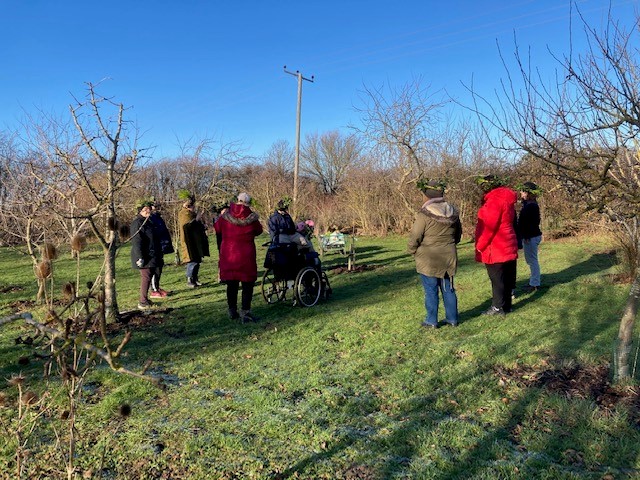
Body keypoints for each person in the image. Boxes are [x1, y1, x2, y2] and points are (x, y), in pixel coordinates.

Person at [408, 180, 462, 329]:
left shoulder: (424, 214)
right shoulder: (453, 211)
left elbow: (415, 236)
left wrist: (412, 250)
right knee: (448, 289)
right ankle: (452, 319)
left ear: (427, 196)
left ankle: (431, 321)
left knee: (431, 290)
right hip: (448, 256)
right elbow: (458, 235)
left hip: (428, 258)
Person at [214, 192, 263, 323]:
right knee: (247, 284)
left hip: (229, 254)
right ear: (248, 202)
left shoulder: (226, 216)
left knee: (232, 283)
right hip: (246, 255)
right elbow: (259, 231)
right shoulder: (251, 217)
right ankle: (245, 312)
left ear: (238, 200)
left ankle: (232, 310)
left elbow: (217, 228)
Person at [475, 175, 519, 316]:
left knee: (497, 278)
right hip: (508, 241)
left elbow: (489, 227)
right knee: (506, 277)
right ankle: (506, 306)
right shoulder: (507, 199)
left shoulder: (494, 201)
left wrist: (480, 245)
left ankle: (497, 307)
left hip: (497, 245)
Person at [130, 200, 163, 310]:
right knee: (146, 277)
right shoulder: (137, 223)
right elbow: (137, 241)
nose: (148, 211)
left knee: (149, 277)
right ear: (140, 211)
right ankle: (143, 301)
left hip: (152, 254)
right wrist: (140, 257)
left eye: (149, 209)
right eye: (145, 210)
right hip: (144, 256)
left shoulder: (149, 221)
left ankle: (146, 299)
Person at [178, 191, 210, 288]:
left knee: (197, 260)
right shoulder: (184, 214)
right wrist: (197, 219)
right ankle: (190, 279)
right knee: (192, 261)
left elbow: (196, 226)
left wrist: (202, 225)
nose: (194, 208)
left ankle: (195, 279)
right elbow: (187, 226)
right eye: (192, 206)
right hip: (189, 242)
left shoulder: (191, 214)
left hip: (196, 241)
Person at [517, 181, 542, 292]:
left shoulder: (531, 206)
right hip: (530, 236)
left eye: (523, 191)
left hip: (531, 236)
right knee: (531, 260)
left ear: (528, 192)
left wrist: (526, 236)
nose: (521, 193)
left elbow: (532, 222)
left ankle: (535, 283)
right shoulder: (529, 204)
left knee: (532, 260)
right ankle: (534, 281)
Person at [149, 200, 174, 298]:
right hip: (155, 246)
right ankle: (154, 290)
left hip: (161, 246)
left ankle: (157, 287)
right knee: (154, 269)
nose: (157, 208)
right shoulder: (151, 218)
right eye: (155, 206)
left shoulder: (158, 217)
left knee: (159, 268)